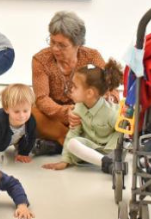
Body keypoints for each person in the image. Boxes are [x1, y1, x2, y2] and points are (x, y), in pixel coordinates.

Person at [30, 11, 114, 156]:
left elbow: (109, 87)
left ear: (78, 44)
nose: (55, 48)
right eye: (52, 42)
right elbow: (42, 99)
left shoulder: (92, 56)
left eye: (62, 45)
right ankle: (78, 144)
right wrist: (66, 112)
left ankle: (60, 145)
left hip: (86, 116)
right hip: (57, 117)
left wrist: (108, 98)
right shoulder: (40, 60)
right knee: (32, 114)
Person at [42, 60, 122, 173]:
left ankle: (108, 161)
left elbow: (123, 132)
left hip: (110, 149)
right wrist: (65, 160)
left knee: (121, 137)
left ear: (89, 93)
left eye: (74, 87)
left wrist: (115, 148)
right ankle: (106, 163)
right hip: (91, 148)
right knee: (72, 143)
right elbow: (73, 133)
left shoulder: (110, 112)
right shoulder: (77, 109)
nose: (71, 90)